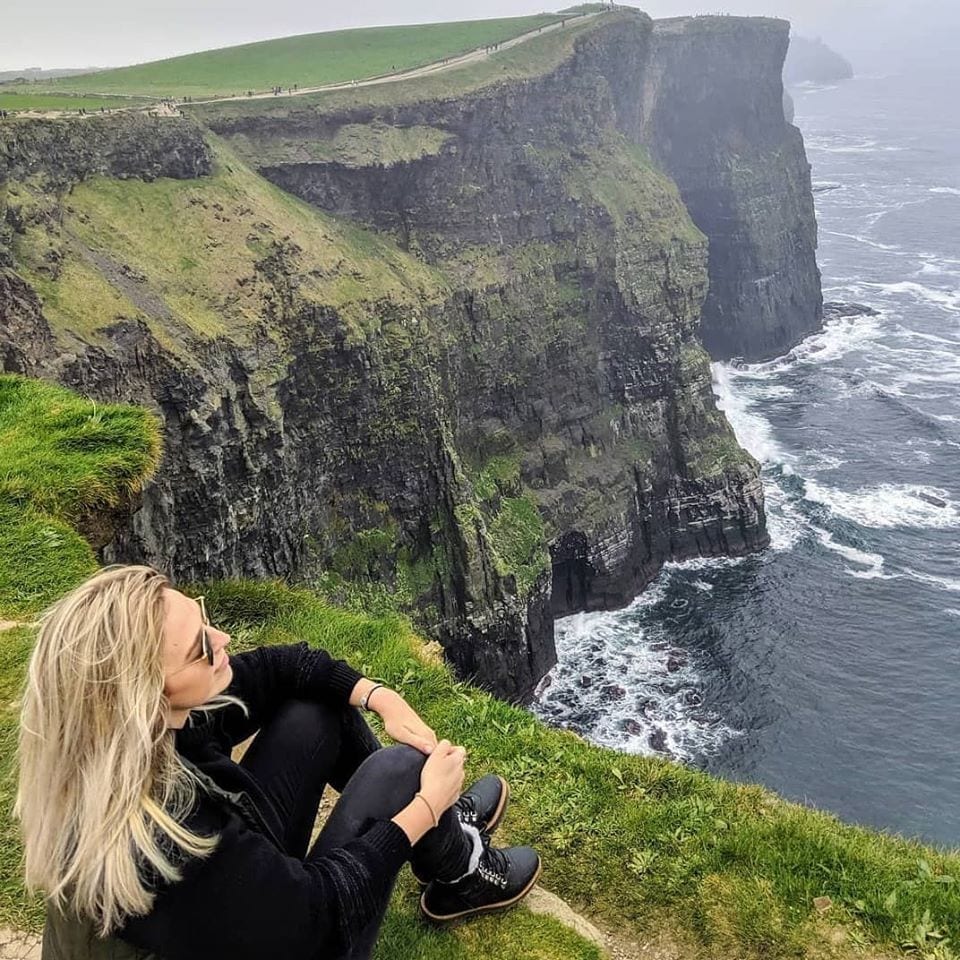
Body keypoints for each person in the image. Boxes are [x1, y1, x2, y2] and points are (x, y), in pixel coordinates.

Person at [17, 565, 541, 960]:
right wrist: (424, 808)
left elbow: (285, 668)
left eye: (204, 618)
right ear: (144, 695)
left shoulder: (124, 740)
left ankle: (450, 858)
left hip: (229, 917)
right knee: (400, 773)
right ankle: (455, 856)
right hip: (292, 936)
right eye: (200, 647)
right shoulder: (164, 839)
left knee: (318, 709)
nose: (222, 640)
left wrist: (380, 697)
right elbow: (316, 917)